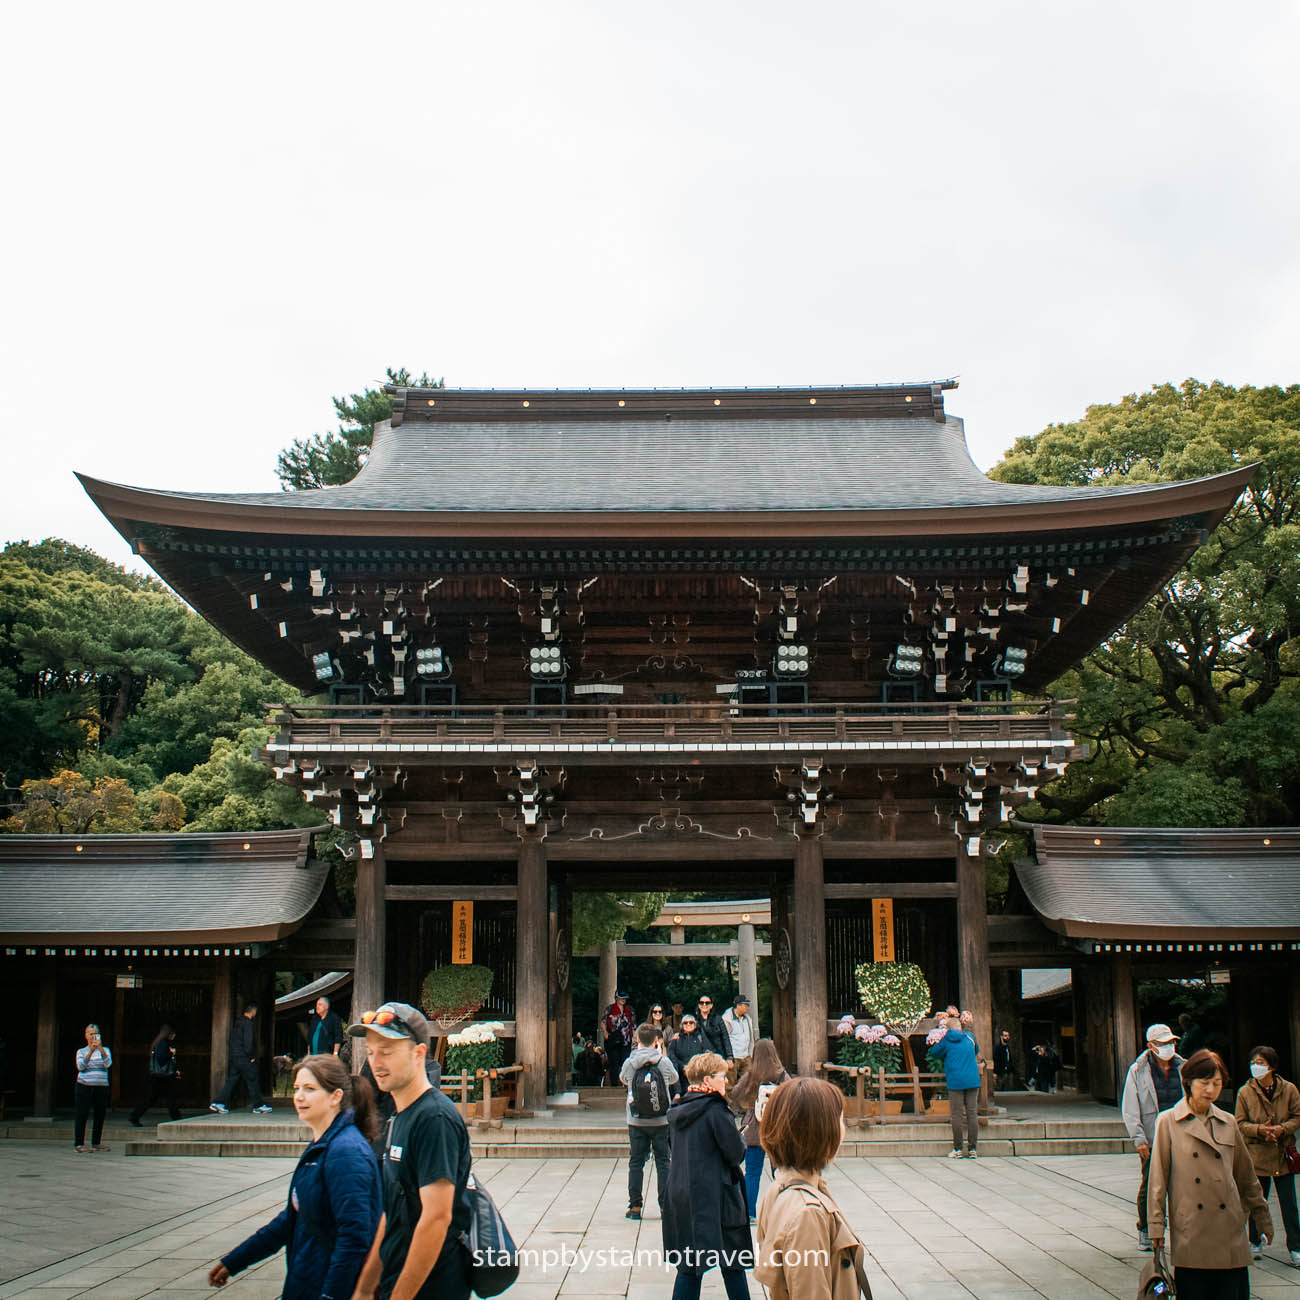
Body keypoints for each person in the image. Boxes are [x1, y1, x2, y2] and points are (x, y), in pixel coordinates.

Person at [208, 1054, 382, 1298]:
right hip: (306, 1280)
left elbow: (354, 1238)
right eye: (297, 1088)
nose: (299, 1097)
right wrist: (235, 1261)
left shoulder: (346, 1152)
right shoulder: (322, 1144)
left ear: (336, 1096)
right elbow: (291, 1218)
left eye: (310, 1089)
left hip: (324, 1286)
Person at [348, 1001, 474, 1300]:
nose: (376, 1063)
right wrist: (365, 1289)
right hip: (398, 1278)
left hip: (432, 1285)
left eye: (387, 1053)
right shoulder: (399, 1117)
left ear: (418, 1054)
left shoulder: (433, 1119)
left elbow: (436, 1218)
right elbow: (391, 1212)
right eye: (370, 1053)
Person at [1148, 1049, 1273, 1300]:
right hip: (1192, 1230)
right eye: (1204, 1083)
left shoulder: (1228, 1122)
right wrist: (1156, 1227)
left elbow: (1246, 1176)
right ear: (1188, 1082)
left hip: (1229, 1231)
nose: (1210, 1090)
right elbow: (1157, 1180)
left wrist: (1262, 1216)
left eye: (1216, 1084)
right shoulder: (1168, 1121)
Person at [754, 1077, 873, 1300]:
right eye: (839, 1120)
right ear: (819, 1131)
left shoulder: (780, 1187)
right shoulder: (807, 1214)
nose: (843, 1129)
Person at [663, 1052, 752, 1300]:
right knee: (732, 1262)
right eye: (722, 1076)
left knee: (690, 1267)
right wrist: (741, 1139)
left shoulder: (679, 1108)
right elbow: (735, 1154)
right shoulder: (715, 1110)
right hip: (717, 1195)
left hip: (683, 1192)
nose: (726, 1081)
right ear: (707, 1079)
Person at [1121, 1022, 1186, 1250]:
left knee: (1183, 1184)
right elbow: (1130, 1107)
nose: (1169, 1047)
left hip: (1181, 1133)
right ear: (1151, 1046)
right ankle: (1146, 1228)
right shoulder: (1138, 1070)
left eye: (1171, 1042)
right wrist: (1138, 1139)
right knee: (1150, 1184)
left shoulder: (1184, 1067)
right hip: (1152, 1133)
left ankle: (1183, 1227)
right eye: (1163, 1044)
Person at [1234, 1044, 1300, 1265]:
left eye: (1260, 1063)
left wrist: (1282, 1129)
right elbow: (1240, 1123)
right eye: (1253, 1063)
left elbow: (1297, 1117)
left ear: (1271, 1066)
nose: (1256, 1067)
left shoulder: (1289, 1089)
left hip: (1282, 1153)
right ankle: (1255, 1241)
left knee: (1289, 1202)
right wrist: (1260, 1130)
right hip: (1257, 1153)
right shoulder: (1245, 1092)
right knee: (1256, 1199)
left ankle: (1296, 1246)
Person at [619, 1022, 679, 1220]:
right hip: (661, 1119)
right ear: (656, 1040)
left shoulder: (630, 1062)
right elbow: (673, 1079)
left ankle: (635, 1207)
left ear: (637, 1040)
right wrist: (660, 1052)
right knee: (663, 1162)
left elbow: (624, 1079)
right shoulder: (662, 1061)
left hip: (636, 1120)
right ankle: (665, 1206)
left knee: (636, 1162)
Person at [733, 1039, 790, 1218]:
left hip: (754, 1130)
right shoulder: (781, 1074)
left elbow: (735, 1093)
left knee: (752, 1173)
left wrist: (750, 1103)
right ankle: (783, 1210)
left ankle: (750, 1212)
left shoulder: (751, 1074)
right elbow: (792, 1092)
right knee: (780, 1172)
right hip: (776, 1127)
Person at [929, 1012, 981, 1159]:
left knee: (957, 1115)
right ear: (960, 1026)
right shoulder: (970, 1037)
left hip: (955, 1081)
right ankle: (972, 1149)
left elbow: (934, 1053)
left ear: (947, 1029)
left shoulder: (946, 1040)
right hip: (972, 1080)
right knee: (972, 1114)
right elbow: (976, 1051)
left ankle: (958, 1148)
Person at [211, 1002, 272, 1114]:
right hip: (244, 1057)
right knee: (252, 1079)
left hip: (235, 1056)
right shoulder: (248, 1024)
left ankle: (218, 1102)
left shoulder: (237, 1023)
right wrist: (251, 1056)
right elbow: (248, 1042)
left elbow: (232, 1041)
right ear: (253, 1011)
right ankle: (258, 1105)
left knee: (232, 1080)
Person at [129, 1023, 182, 1126]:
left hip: (158, 1076)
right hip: (162, 1076)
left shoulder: (158, 1042)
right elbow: (162, 1058)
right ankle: (176, 1117)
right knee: (167, 1097)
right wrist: (171, 1053)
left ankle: (135, 1115)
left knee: (152, 1098)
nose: (174, 1036)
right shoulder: (163, 1043)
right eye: (173, 1034)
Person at [74, 1023, 113, 1152]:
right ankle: (79, 1144)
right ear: (86, 1035)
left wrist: (100, 1049)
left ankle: (96, 1142)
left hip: (101, 1086)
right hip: (84, 1085)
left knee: (100, 1114)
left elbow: (107, 1064)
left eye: (95, 1034)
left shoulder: (105, 1050)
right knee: (82, 1114)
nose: (93, 1036)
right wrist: (90, 1051)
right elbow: (81, 1067)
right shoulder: (81, 1051)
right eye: (90, 1034)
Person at [602, 989, 637, 1086]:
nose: (623, 1000)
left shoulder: (630, 1009)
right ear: (616, 998)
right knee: (614, 1062)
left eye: (624, 998)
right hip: (613, 1039)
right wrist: (605, 1033)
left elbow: (633, 1024)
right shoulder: (610, 1008)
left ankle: (626, 1083)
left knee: (625, 1061)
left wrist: (634, 1037)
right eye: (621, 998)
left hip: (626, 1040)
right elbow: (603, 1021)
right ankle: (614, 1085)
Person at [668, 1012, 707, 1088]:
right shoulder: (677, 1038)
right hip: (681, 1075)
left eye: (691, 1022)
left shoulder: (701, 1037)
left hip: (698, 1075)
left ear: (695, 1025)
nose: (688, 1024)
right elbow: (671, 1054)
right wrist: (683, 1066)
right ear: (682, 1025)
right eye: (685, 1023)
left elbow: (706, 1053)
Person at [721, 996, 757, 1077]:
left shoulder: (747, 1019)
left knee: (748, 1082)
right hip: (733, 1057)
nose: (748, 1007)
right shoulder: (727, 1019)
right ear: (738, 1005)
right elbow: (724, 1038)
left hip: (746, 1056)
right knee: (730, 1084)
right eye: (746, 1005)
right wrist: (728, 1057)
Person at [696, 994, 732, 1062]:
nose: (704, 1004)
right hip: (701, 1058)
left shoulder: (718, 1019)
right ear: (699, 1005)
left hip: (717, 1056)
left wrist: (729, 1056)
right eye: (701, 1003)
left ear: (711, 1005)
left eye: (707, 1003)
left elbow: (725, 1038)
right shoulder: (694, 1021)